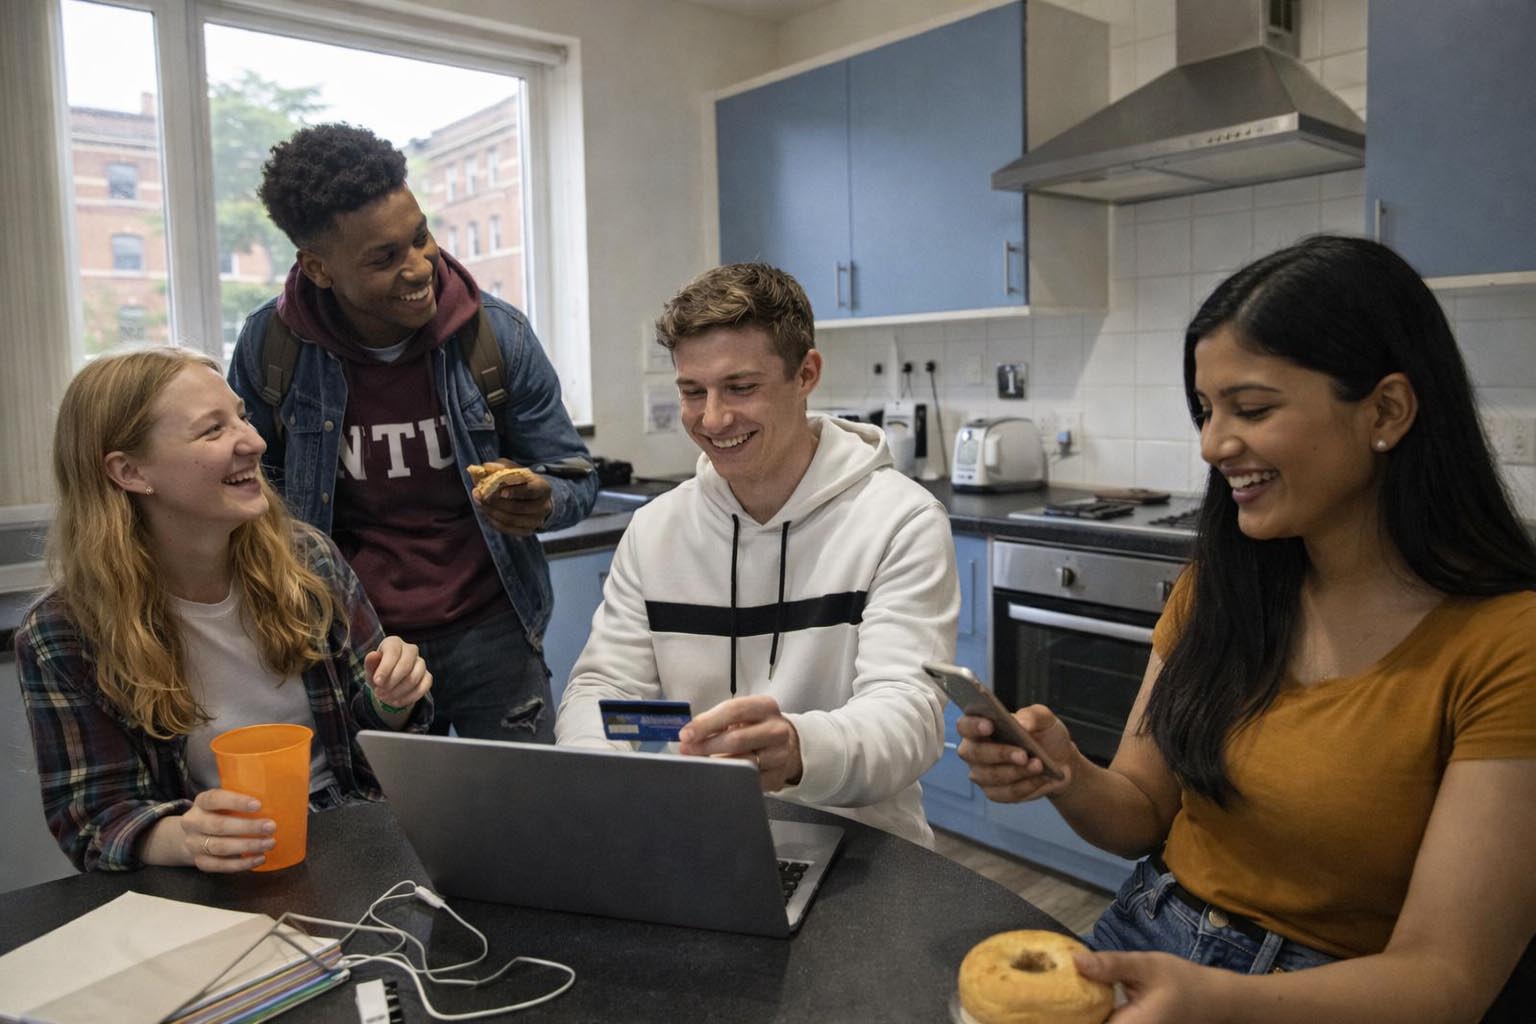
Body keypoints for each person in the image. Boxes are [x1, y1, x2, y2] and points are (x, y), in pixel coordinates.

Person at [957, 235, 1536, 1022]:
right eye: (1205, 410)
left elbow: (1446, 979)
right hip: (1150, 935)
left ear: (1387, 411)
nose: (1212, 444)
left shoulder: (1508, 644)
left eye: (1252, 409)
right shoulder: (1224, 587)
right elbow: (1139, 816)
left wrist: (1218, 1001)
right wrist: (1066, 774)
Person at [555, 263, 958, 847]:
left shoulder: (901, 520)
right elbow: (603, 695)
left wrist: (799, 750)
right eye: (693, 391)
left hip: (859, 842)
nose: (713, 418)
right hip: (690, 837)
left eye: (741, 388)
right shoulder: (655, 531)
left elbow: (908, 716)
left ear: (806, 374)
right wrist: (606, 778)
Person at [227, 123, 596, 742]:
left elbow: (573, 479)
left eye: (420, 237)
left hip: (494, 635)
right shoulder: (273, 349)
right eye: (384, 257)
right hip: (354, 643)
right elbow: (249, 504)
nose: (419, 265)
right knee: (389, 831)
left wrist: (542, 500)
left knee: (524, 826)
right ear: (318, 267)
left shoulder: (496, 337)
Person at [16, 347, 434, 873]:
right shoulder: (62, 634)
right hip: (210, 876)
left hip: (355, 836)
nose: (255, 442)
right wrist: (186, 837)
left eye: (242, 416)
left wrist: (393, 698)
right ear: (128, 471)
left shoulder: (308, 562)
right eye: (212, 431)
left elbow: (371, 739)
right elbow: (94, 817)